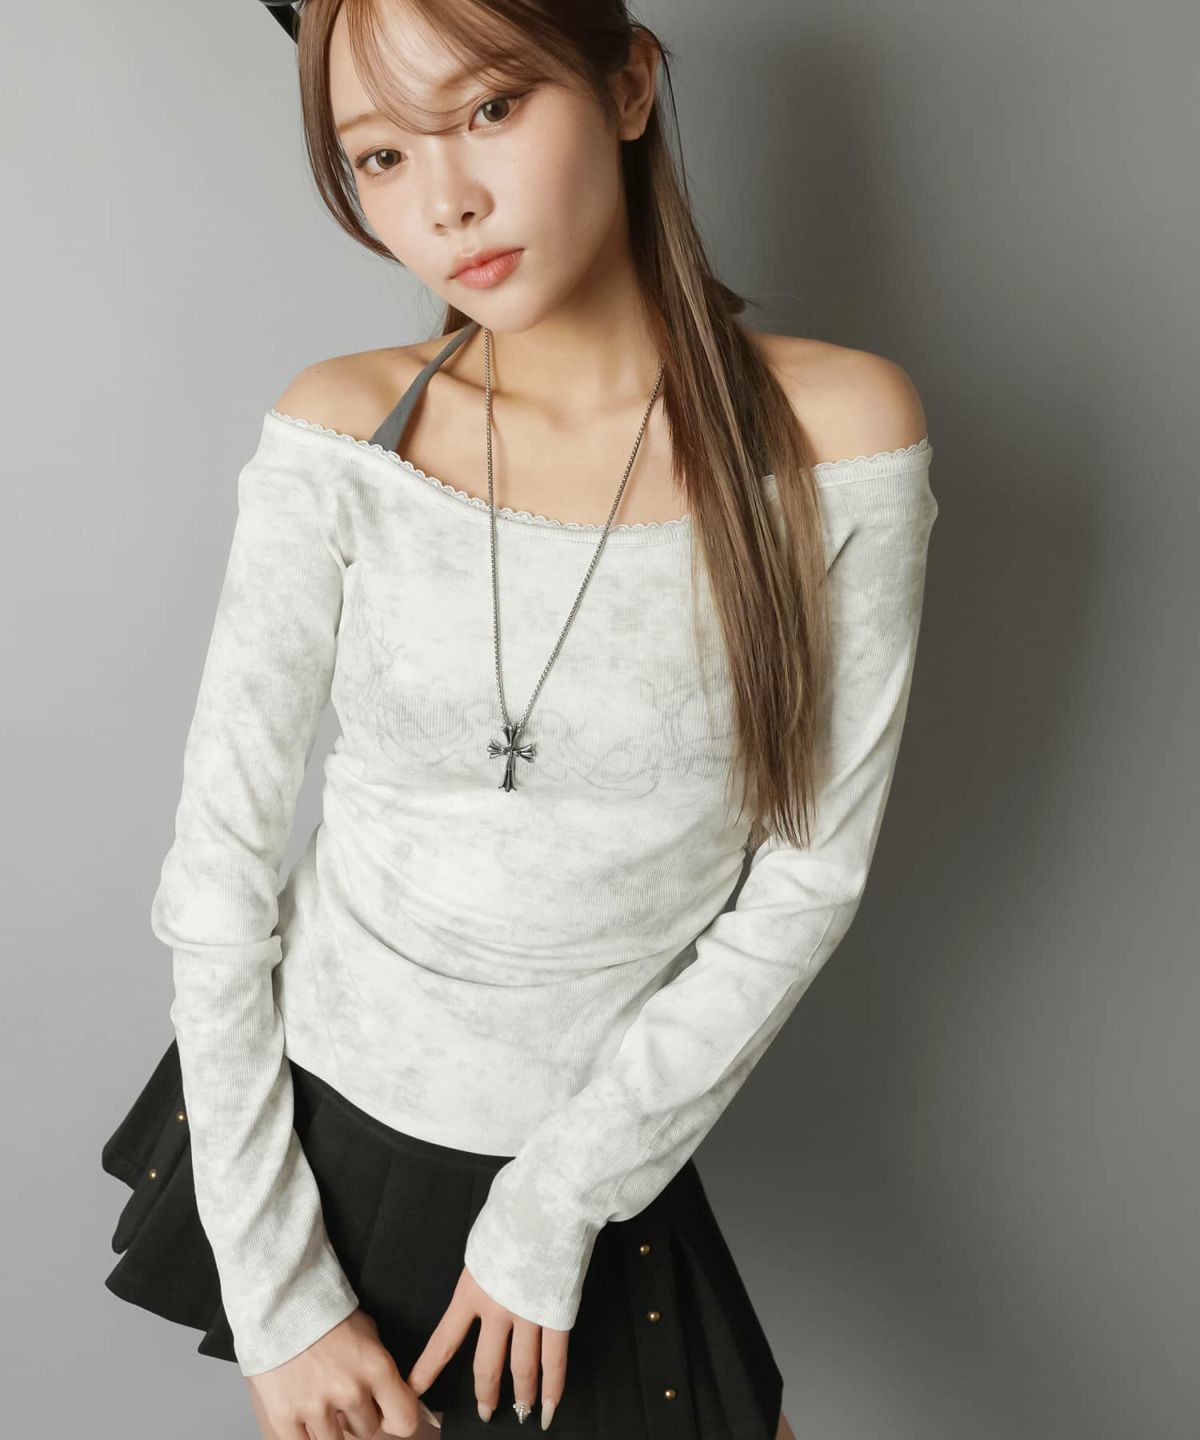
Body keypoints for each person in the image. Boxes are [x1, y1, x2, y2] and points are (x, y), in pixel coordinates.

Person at [100, 1, 939, 1437]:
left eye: (490, 109)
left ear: (629, 85)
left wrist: (557, 1205)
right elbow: (222, 879)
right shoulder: (343, 435)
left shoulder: (840, 435)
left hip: (590, 1169)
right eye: (380, 155)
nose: (447, 202)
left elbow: (808, 880)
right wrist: (278, 1289)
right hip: (306, 1147)